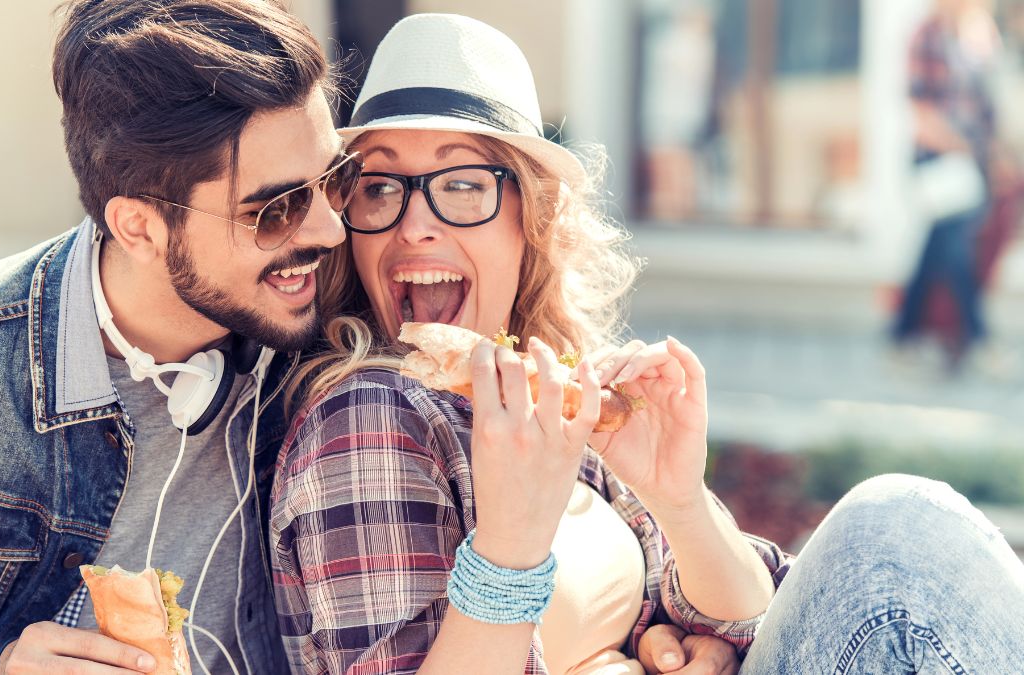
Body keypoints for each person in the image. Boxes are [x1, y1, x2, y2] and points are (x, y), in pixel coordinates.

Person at [270, 14, 1024, 675]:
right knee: (891, 525)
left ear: (527, 220)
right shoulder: (372, 414)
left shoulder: (558, 394)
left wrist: (679, 499)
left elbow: (753, 618)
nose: (413, 224)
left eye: (462, 184)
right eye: (377, 186)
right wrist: (510, 546)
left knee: (897, 529)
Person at [0, 1, 360, 673]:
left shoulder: (342, 337)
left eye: (336, 177)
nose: (329, 231)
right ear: (138, 227)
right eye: (274, 210)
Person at [893, 0, 1009, 372]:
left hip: (970, 164)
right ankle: (978, 340)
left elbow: (986, 103)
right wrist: (967, 148)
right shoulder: (927, 35)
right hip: (940, 162)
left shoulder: (974, 36)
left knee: (936, 253)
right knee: (956, 253)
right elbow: (921, 113)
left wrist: (991, 155)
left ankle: (902, 336)